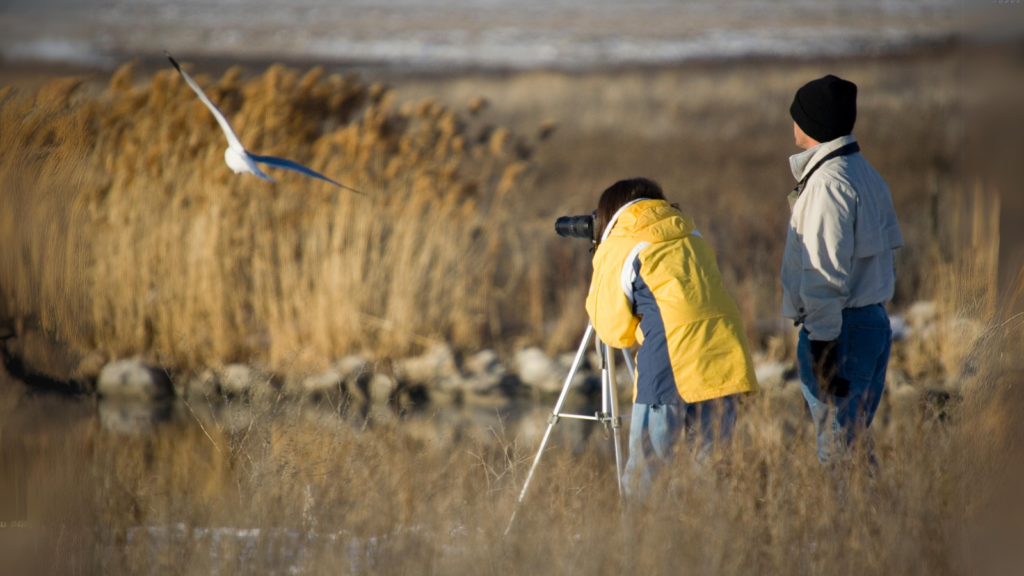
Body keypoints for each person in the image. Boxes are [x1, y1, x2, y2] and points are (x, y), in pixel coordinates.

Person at [585, 178, 759, 499]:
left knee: (647, 471)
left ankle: (638, 540)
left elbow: (613, 331)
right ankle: (712, 542)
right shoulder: (690, 233)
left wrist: (603, 264)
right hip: (724, 352)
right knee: (713, 468)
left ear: (609, 214)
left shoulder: (620, 243)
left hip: (670, 358)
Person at [783, 75, 903, 465]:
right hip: (870, 320)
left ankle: (853, 525)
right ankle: (873, 524)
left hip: (842, 328)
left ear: (813, 124)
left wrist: (823, 345)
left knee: (839, 454)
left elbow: (822, 270)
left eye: (797, 116)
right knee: (851, 445)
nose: (793, 124)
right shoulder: (864, 173)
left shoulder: (827, 185)